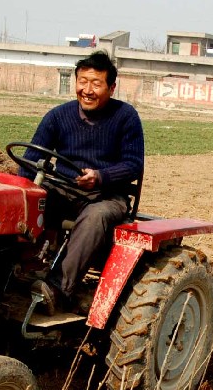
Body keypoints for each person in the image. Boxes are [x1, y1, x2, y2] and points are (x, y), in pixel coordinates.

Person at [21, 51, 144, 312]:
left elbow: (133, 164)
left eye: (96, 84)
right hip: (62, 188)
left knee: (95, 217)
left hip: (107, 196)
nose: (87, 90)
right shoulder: (58, 116)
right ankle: (18, 271)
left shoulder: (125, 117)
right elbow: (31, 159)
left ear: (111, 87)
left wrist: (101, 176)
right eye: (82, 81)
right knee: (27, 201)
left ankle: (58, 288)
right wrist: (21, 192)